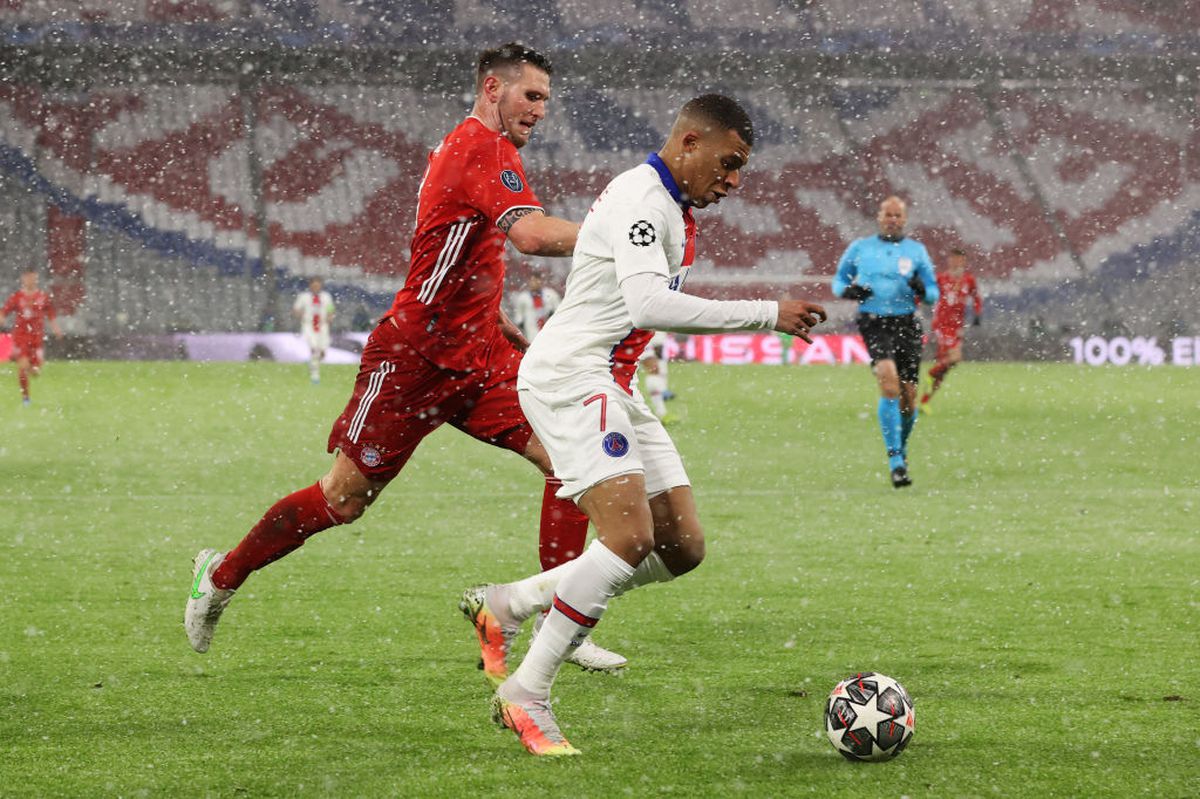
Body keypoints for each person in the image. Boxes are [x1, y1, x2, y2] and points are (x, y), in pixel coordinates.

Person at [185, 42, 625, 673]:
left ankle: (559, 630)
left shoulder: (469, 149)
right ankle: (220, 577)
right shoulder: (481, 147)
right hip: (414, 358)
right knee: (343, 499)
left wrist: (494, 319)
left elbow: (461, 247)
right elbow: (527, 236)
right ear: (493, 89)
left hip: (477, 356)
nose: (540, 111)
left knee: (572, 462)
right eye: (531, 96)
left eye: (547, 101)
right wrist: (622, 237)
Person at [460, 94, 827, 756]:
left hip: (606, 380)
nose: (735, 180)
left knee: (682, 545)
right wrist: (766, 311)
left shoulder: (674, 210)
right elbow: (646, 301)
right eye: (729, 161)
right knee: (628, 536)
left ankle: (511, 600)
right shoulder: (642, 198)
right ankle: (527, 691)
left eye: (742, 169)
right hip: (570, 374)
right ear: (688, 141)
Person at [832, 196, 939, 489]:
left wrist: (922, 289)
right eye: (887, 214)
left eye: (897, 215)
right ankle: (895, 461)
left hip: (906, 323)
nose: (892, 219)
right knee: (889, 383)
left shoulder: (916, 251)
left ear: (904, 219)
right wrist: (850, 291)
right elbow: (838, 282)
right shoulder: (860, 248)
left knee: (909, 397)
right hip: (874, 321)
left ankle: (900, 451)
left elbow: (933, 292)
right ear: (879, 217)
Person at [920, 247, 982, 409]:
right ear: (949, 261)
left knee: (946, 367)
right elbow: (927, 294)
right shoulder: (941, 279)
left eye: (960, 260)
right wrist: (917, 304)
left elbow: (976, 298)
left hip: (957, 327)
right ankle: (930, 374)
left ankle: (925, 401)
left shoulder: (968, 280)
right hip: (942, 325)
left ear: (964, 262)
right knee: (954, 359)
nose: (956, 263)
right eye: (953, 259)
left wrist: (977, 313)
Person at [1, 269, 64, 406]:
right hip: (21, 337)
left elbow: (51, 314)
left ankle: (31, 368)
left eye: (33, 278)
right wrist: (1, 318)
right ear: (23, 279)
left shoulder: (43, 297)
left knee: (35, 372)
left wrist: (56, 328)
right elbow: (4, 311)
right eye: (28, 278)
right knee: (22, 366)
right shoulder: (17, 297)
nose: (31, 281)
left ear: (36, 279)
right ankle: (26, 398)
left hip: (36, 338)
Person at [292, 277, 335, 383]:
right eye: (314, 285)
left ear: (321, 286)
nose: (316, 287)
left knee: (322, 352)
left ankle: (313, 362)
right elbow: (296, 309)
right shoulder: (304, 297)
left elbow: (330, 309)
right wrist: (299, 313)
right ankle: (315, 375)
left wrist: (330, 317)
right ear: (310, 286)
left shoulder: (326, 297)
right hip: (309, 325)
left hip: (322, 325)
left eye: (318, 285)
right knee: (314, 348)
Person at [509, 271, 561, 343]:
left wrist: (552, 314)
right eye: (532, 281)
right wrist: (521, 323)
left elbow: (559, 309)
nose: (534, 283)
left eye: (537, 280)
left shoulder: (550, 294)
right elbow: (519, 316)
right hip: (532, 329)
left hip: (549, 328)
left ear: (541, 281)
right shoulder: (523, 298)